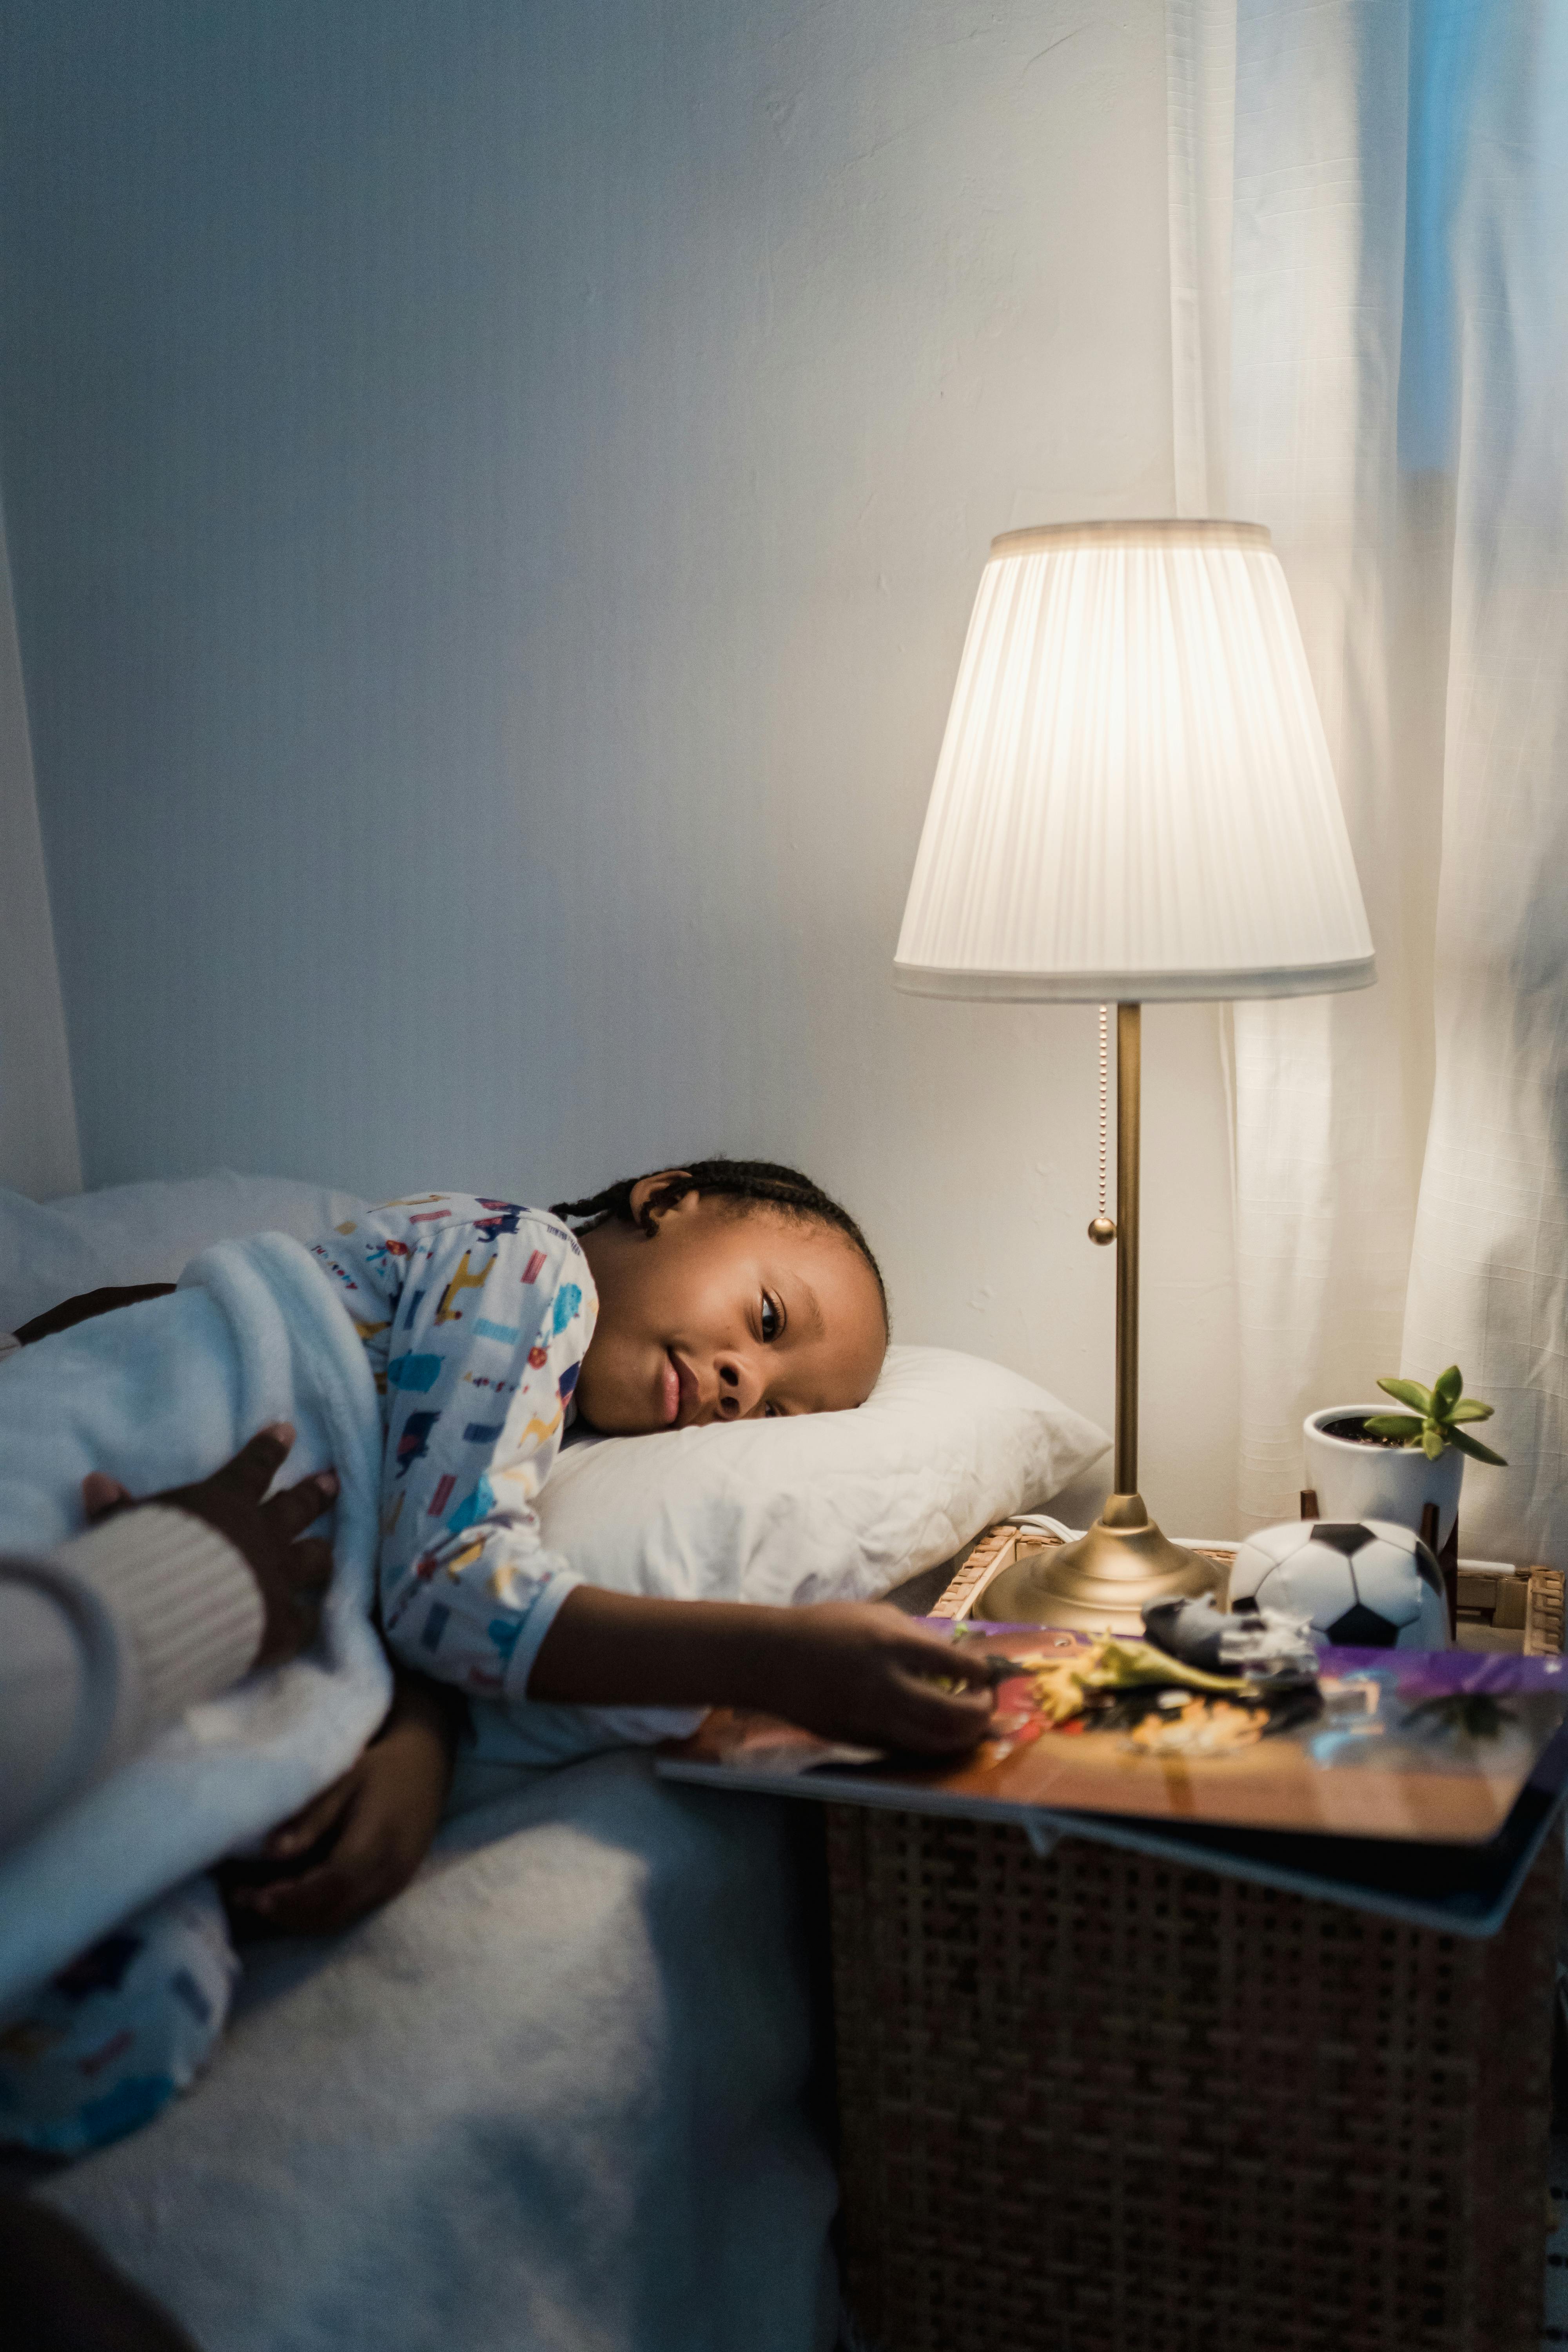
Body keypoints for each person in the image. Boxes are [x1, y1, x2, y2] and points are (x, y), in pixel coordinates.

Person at [0, 1157, 996, 2153]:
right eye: (769, 1319)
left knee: (136, 2013)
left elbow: (409, 1542)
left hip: (160, 1602)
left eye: (778, 1411)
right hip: (83, 1493)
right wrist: (779, 1661)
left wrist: (416, 1721)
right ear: (667, 1199)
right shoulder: (523, 1262)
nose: (746, 1385)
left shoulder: (542, 1425)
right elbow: (449, 1581)